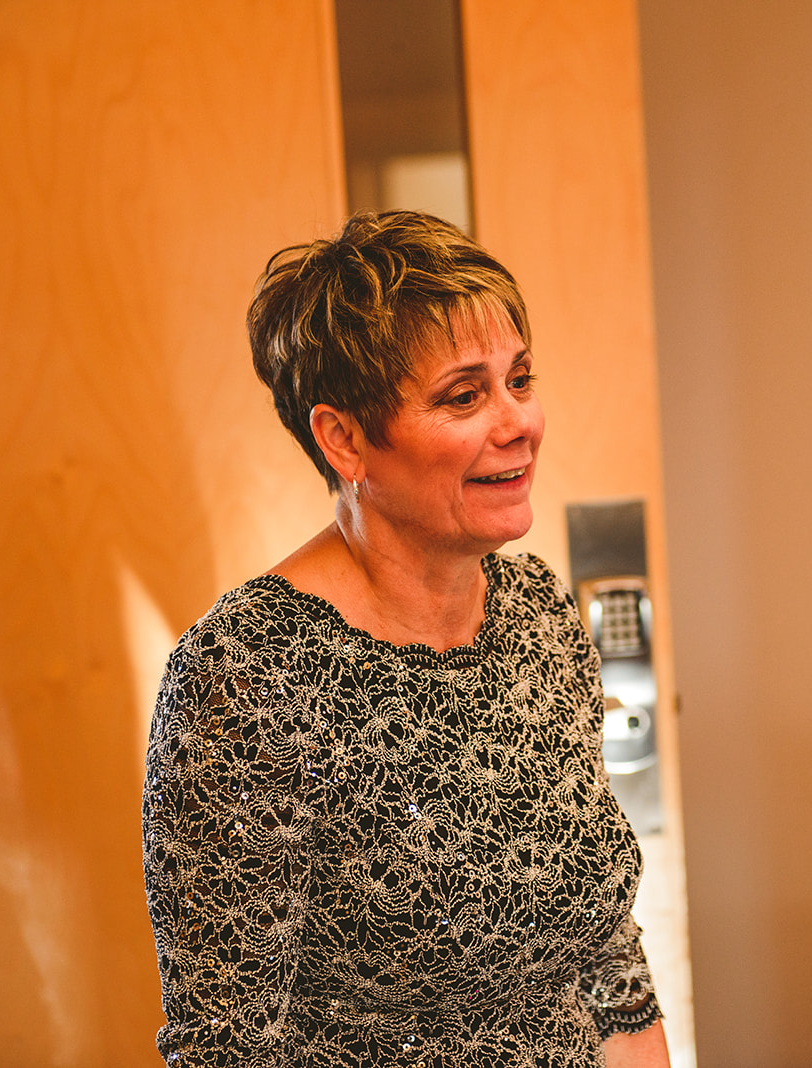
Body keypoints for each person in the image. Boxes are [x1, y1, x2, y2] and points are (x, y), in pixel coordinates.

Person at [142, 210, 670, 1067]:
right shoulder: (248, 672)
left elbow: (606, 956)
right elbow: (228, 1050)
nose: (518, 423)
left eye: (520, 380)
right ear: (343, 438)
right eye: (464, 396)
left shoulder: (537, 616)